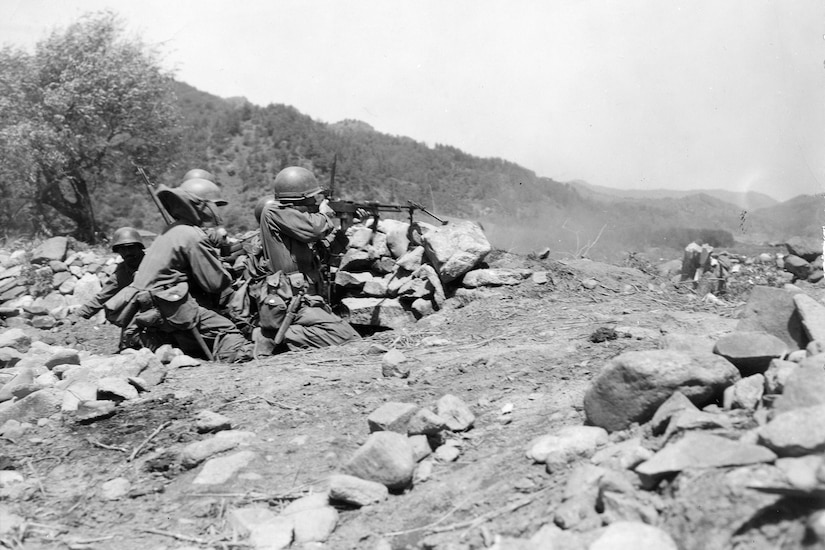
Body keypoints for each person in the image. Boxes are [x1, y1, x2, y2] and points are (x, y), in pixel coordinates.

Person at [104, 177, 250, 362]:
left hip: (150, 308)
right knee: (231, 333)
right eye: (214, 205)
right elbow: (215, 283)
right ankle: (228, 363)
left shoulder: (173, 230)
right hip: (168, 305)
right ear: (202, 206)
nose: (216, 210)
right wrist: (231, 271)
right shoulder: (192, 235)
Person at [253, 166, 360, 353]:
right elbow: (315, 229)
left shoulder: (294, 225)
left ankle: (284, 334)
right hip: (292, 302)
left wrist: (344, 228)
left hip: (306, 300)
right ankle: (278, 337)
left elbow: (324, 253)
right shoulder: (273, 212)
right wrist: (325, 214)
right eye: (312, 198)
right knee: (348, 338)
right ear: (299, 198)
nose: (314, 202)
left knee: (346, 334)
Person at [76, 227, 145, 320]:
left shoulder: (156, 263)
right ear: (118, 251)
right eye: (123, 249)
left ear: (139, 247)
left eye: (131, 247)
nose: (128, 252)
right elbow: (101, 298)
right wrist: (77, 315)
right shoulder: (122, 273)